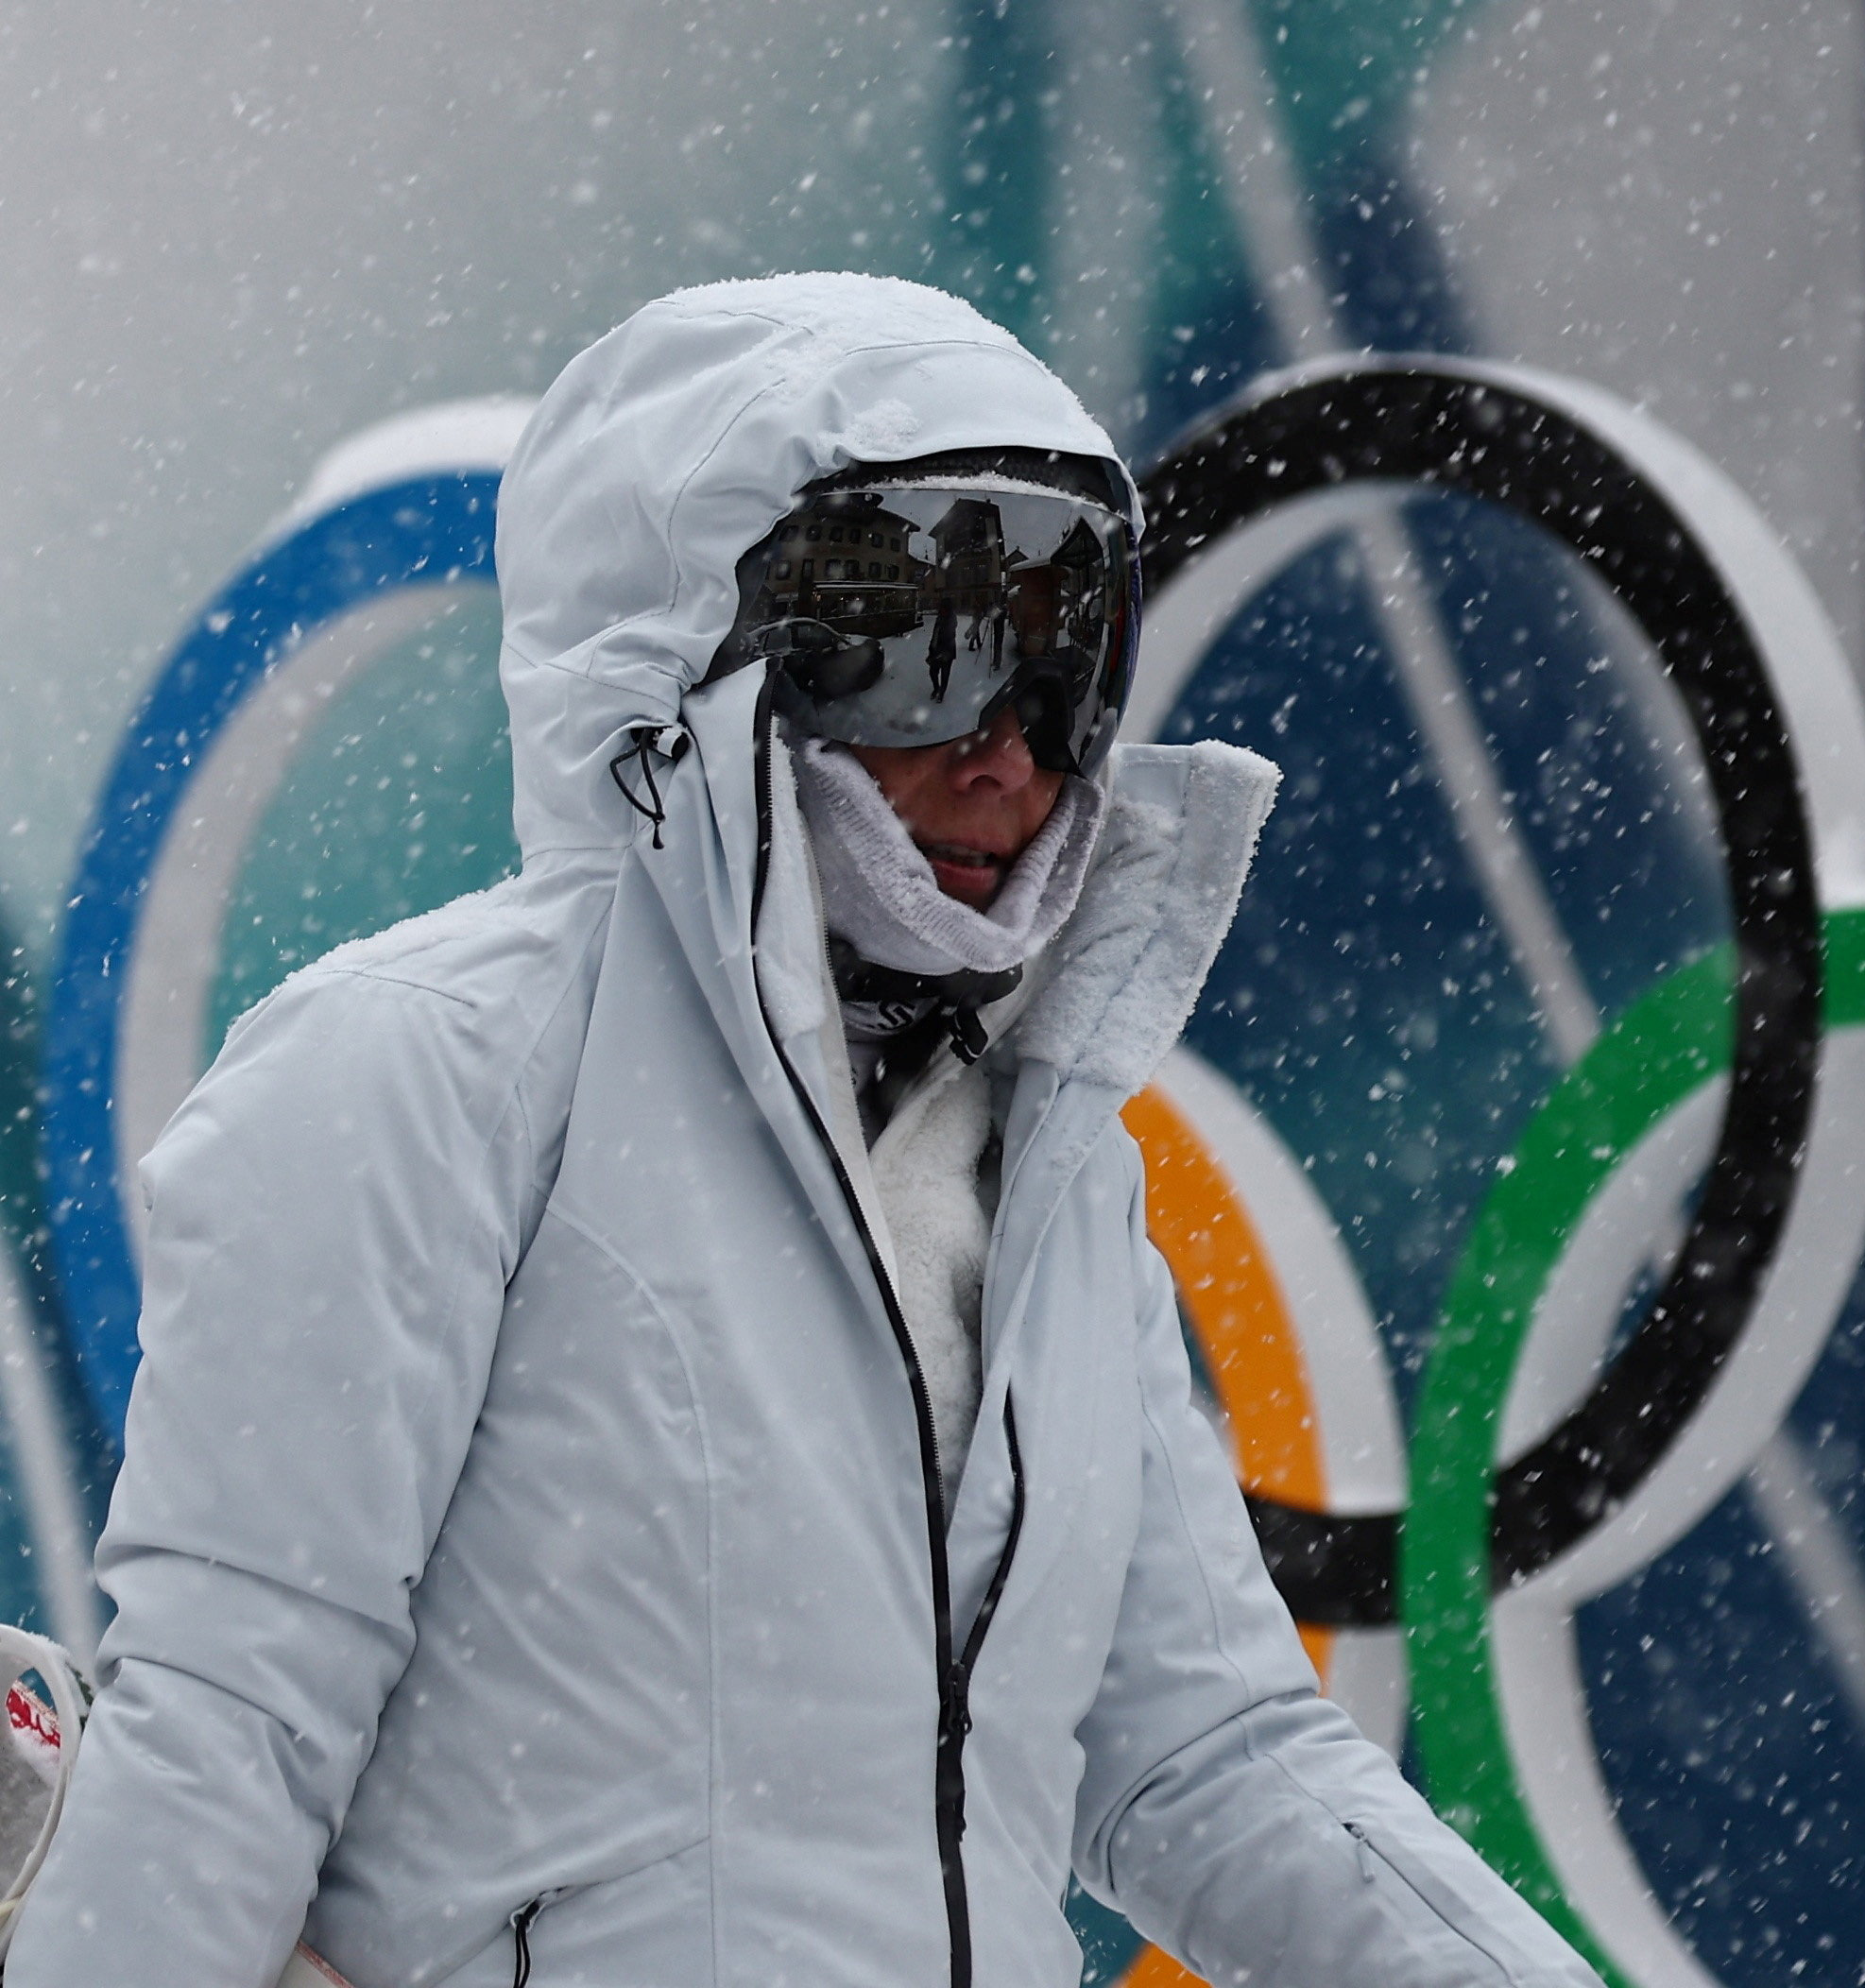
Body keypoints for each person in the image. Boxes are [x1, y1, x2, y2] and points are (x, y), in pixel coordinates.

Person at [10, 275, 1602, 1988]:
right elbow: (234, 1728)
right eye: (928, 655)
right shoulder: (421, 1074)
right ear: (687, 669)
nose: (1010, 760)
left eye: (1060, 663)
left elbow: (1207, 1758)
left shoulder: (1039, 1161)